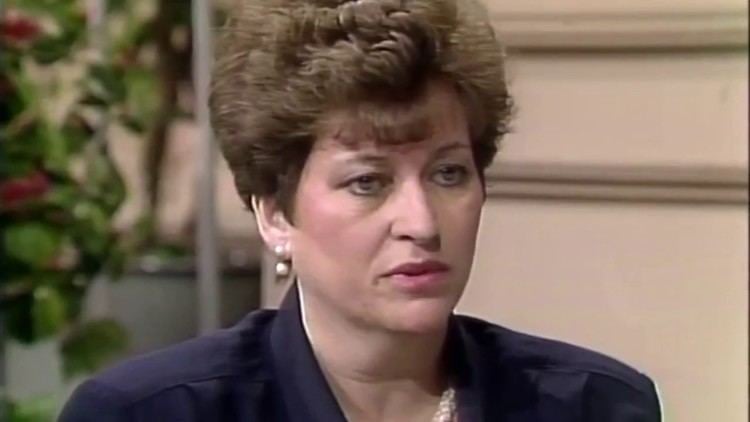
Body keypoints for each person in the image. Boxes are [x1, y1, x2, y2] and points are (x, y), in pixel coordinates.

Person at [60, 0, 662, 420]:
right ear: (274, 214)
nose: (422, 224)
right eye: (368, 182)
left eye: (448, 173)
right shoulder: (151, 413)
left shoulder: (597, 404)